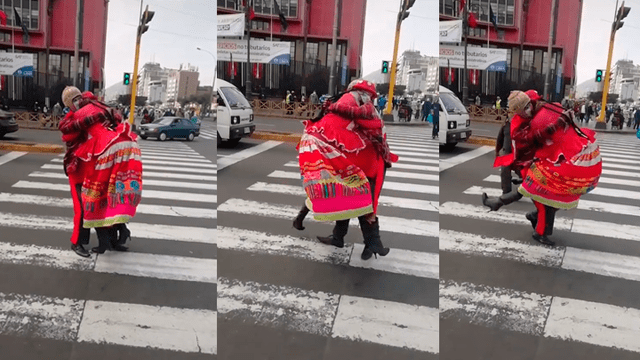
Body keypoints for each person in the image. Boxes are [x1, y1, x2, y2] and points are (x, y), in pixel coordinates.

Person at [293, 79, 399, 260]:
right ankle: (342, 238)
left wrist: (333, 109)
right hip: (363, 164)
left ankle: (372, 243)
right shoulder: (361, 111)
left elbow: (341, 121)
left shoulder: (357, 109)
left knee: (359, 202)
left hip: (365, 165)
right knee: (346, 198)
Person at [481, 90, 602, 246]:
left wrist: (563, 120)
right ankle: (540, 232)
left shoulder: (543, 111)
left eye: (526, 107)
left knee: (548, 199)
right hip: (535, 165)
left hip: (548, 163)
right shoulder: (521, 123)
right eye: (522, 110)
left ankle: (513, 209)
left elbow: (546, 131)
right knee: (541, 201)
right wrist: (556, 125)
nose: (526, 112)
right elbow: (529, 139)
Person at [59, 87, 142, 255]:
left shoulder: (92, 110)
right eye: (73, 101)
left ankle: (111, 240)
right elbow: (67, 134)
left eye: (78, 98)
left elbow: (115, 118)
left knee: (103, 204)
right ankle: (79, 243)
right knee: (85, 208)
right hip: (81, 170)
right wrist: (88, 121)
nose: (77, 102)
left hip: (96, 168)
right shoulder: (77, 118)